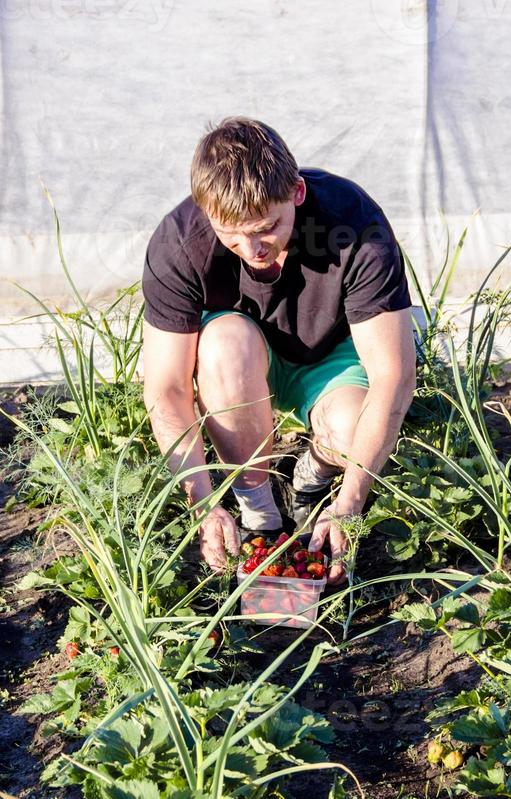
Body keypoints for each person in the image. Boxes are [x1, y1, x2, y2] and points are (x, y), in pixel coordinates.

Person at [141, 117, 416, 584]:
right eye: (231, 233)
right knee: (227, 344)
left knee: (352, 432)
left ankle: (310, 478)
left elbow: (394, 375)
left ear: (297, 194)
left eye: (267, 227)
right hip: (238, 364)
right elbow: (166, 389)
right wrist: (203, 505)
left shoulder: (352, 223)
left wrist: (351, 503)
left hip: (329, 356)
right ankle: (259, 509)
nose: (251, 248)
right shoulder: (179, 243)